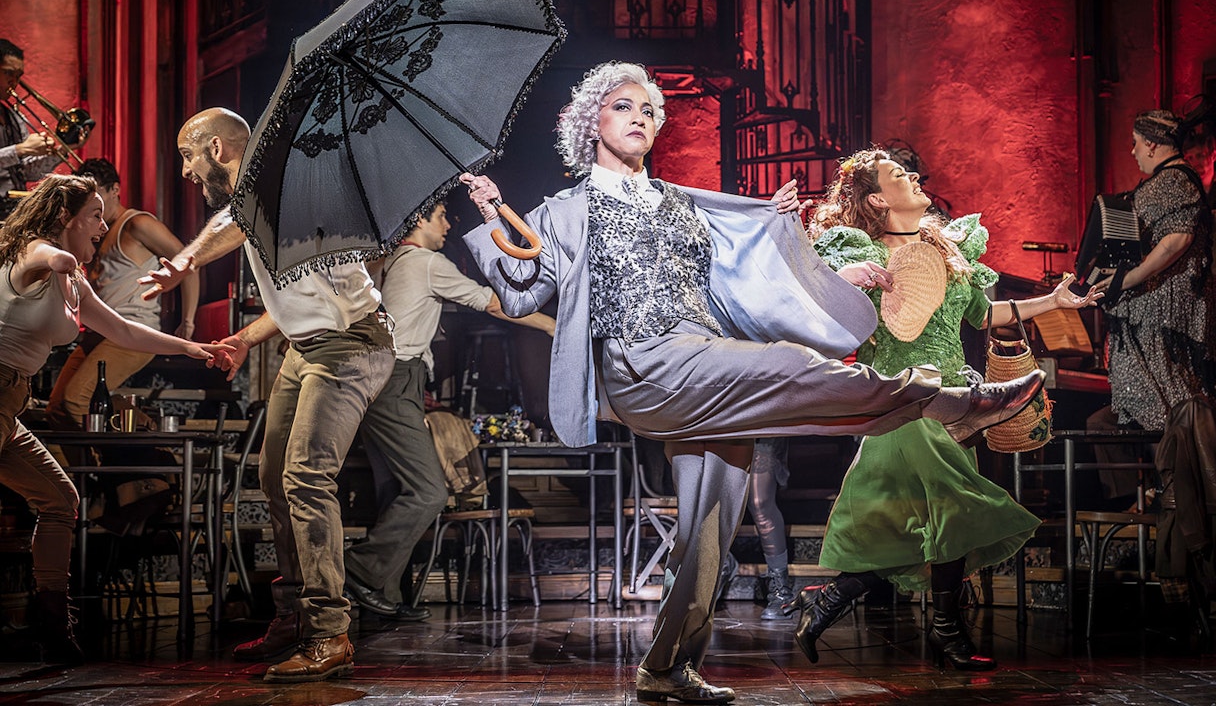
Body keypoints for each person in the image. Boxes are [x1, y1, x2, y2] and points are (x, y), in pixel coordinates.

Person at [459, 61, 1045, 704]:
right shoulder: (566, 210)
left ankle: (665, 668)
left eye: (649, 111)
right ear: (590, 119)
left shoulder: (678, 201)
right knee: (788, 364)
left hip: (707, 355)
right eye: (623, 106)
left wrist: (787, 240)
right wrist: (493, 217)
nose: (640, 118)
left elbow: (739, 271)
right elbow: (521, 293)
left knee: (709, 526)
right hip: (645, 364)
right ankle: (942, 401)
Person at [791, 148, 1101, 670]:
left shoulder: (947, 250)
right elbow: (810, 304)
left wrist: (1053, 302)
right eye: (897, 175)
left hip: (958, 404)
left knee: (923, 526)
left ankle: (835, 604)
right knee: (955, 508)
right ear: (875, 199)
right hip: (899, 402)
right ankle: (945, 631)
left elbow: (984, 314)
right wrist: (850, 277)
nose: (913, 176)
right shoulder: (856, 251)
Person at [140, 107, 395, 683]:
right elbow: (301, 299)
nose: (184, 170)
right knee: (273, 476)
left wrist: (183, 259)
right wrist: (242, 338)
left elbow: (236, 223)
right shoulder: (263, 200)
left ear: (219, 150)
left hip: (352, 344)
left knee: (306, 476)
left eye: (188, 155)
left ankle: (331, 633)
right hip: (307, 346)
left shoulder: (284, 183)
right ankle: (296, 619)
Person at [0, 174, 231, 664]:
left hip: (11, 403)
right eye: (94, 216)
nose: (103, 226)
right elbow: (46, 254)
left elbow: (124, 328)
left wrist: (195, 347)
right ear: (66, 218)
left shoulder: (76, 282)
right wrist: (60, 258)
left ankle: (52, 627)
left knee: (61, 499)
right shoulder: (31, 253)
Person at [343, 199, 555, 619]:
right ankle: (356, 571)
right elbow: (494, 303)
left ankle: (383, 598)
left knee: (396, 491)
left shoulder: (388, 263)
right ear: (418, 218)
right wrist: (555, 327)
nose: (448, 224)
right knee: (428, 491)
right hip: (396, 380)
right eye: (441, 215)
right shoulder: (425, 261)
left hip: (376, 379)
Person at [1094, 109, 1216, 641]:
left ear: (1149, 143)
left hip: (1161, 315)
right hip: (1148, 314)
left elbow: (1176, 242)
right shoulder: (1163, 184)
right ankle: (1146, 501)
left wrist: (1126, 278)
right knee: (1110, 421)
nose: (1132, 152)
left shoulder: (1173, 182)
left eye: (1135, 143)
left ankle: (1173, 525)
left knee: (1170, 416)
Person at [45, 158, 200, 431]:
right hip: (100, 331)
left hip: (132, 331)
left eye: (97, 196)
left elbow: (188, 263)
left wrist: (188, 320)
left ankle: (140, 429)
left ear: (115, 189)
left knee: (76, 401)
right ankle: (77, 474)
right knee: (56, 410)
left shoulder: (137, 223)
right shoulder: (97, 230)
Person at [0, 39, 63, 203]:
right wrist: (20, 149)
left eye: (18, 76)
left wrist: (65, 148)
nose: (14, 82)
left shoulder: (13, 117)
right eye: (8, 73)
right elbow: (17, 152)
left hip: (12, 209)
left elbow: (28, 173)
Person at [746, 438, 795, 619]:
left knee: (760, 502)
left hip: (762, 422)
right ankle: (722, 565)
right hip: (720, 422)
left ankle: (781, 591)